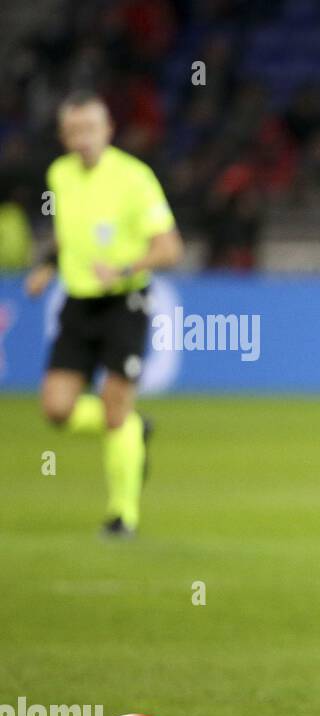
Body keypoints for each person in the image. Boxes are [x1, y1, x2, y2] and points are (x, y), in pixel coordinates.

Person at [24, 92, 183, 537]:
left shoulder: (135, 178)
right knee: (56, 410)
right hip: (78, 304)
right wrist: (47, 266)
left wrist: (125, 268)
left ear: (108, 130)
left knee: (113, 410)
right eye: (73, 131)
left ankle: (122, 515)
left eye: (90, 129)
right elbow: (67, 234)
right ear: (63, 135)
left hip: (124, 303)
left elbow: (170, 248)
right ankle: (133, 425)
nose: (82, 139)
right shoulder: (59, 174)